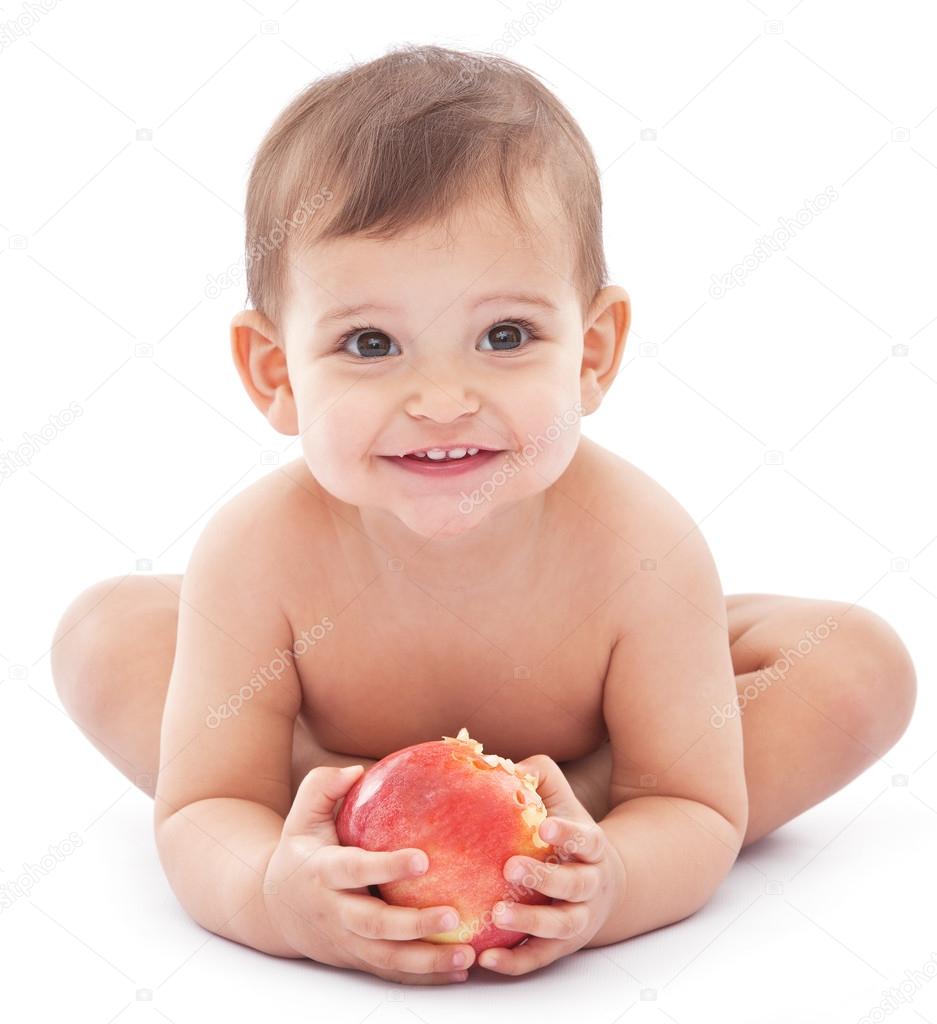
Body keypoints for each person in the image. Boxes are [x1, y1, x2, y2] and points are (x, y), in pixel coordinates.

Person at [51, 44, 916, 985]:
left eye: (504, 336)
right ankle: (324, 805)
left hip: (604, 762)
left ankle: (575, 805)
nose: (442, 398)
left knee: (852, 665)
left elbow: (697, 810)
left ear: (591, 352)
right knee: (106, 634)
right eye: (370, 343)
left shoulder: (639, 547)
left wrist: (615, 876)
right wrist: (269, 889)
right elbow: (202, 806)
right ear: (276, 373)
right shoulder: (260, 550)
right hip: (311, 764)